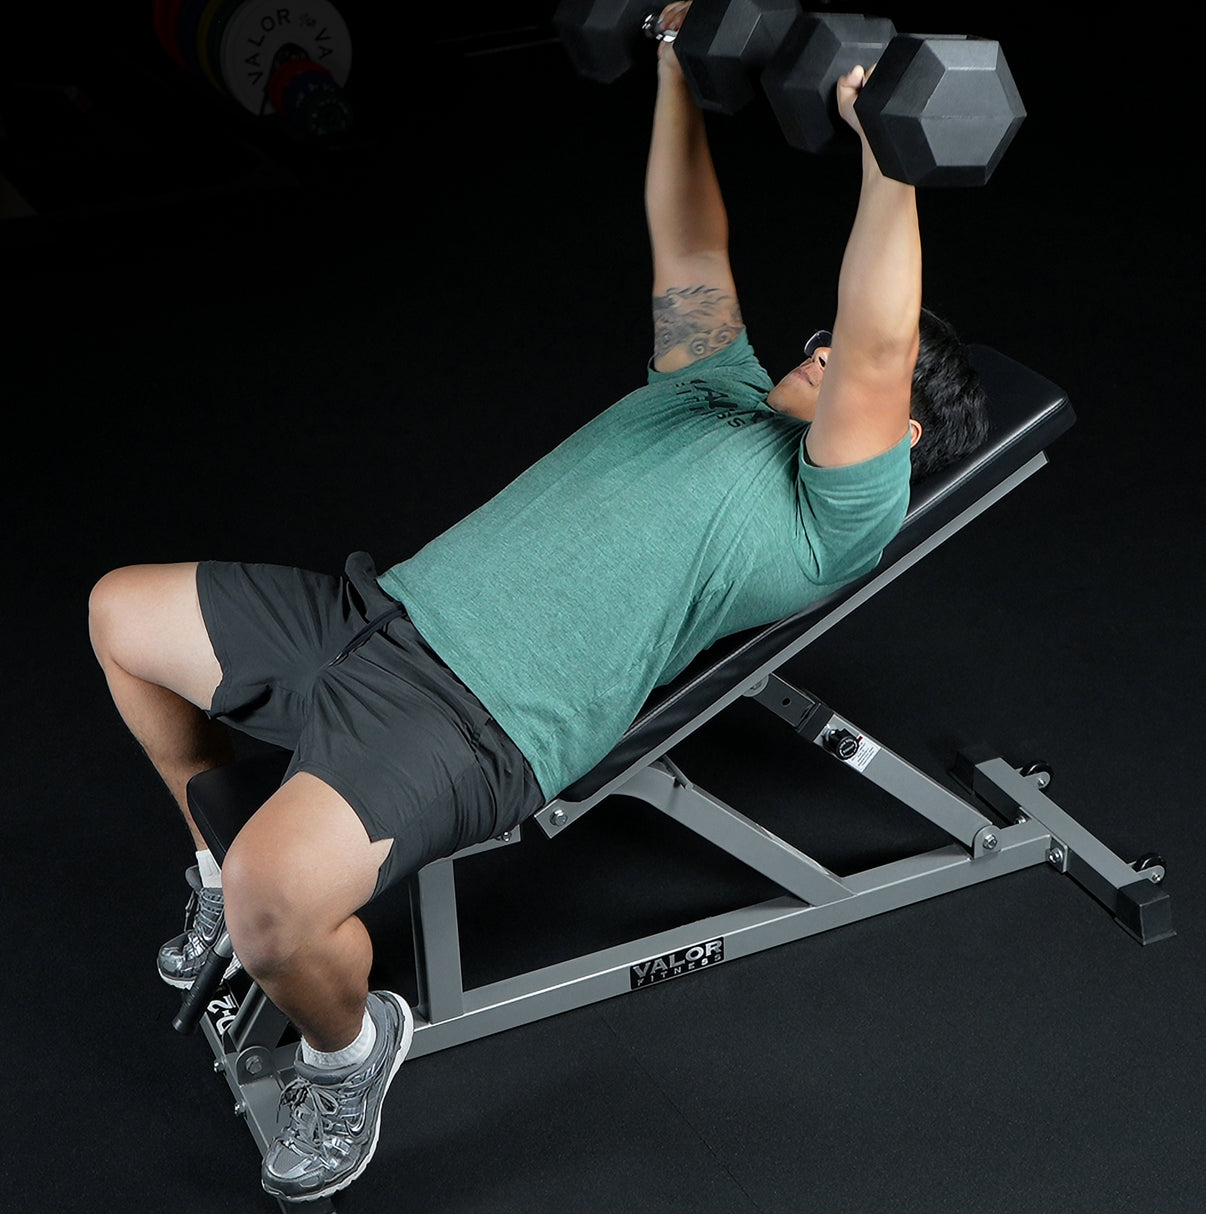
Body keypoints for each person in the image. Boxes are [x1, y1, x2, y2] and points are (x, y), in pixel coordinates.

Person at [88, 3, 987, 1204]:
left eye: (871, 370)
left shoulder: (833, 515)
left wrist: (887, 154)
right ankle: (207, 856)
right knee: (119, 615)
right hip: (375, 620)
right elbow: (688, 238)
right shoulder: (711, 382)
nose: (828, 347)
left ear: (898, 438)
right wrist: (672, 62)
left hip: (475, 720)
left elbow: (879, 350)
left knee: (276, 908)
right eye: (820, 335)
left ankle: (350, 1051)